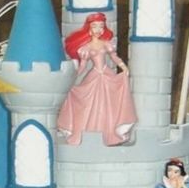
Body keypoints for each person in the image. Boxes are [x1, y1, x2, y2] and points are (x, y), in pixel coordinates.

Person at [57, 12, 137, 147]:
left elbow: (115, 58)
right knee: (88, 102)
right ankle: (87, 132)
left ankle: (110, 134)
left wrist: (124, 67)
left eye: (101, 26)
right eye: (95, 26)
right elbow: (83, 66)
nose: (98, 30)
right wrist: (73, 78)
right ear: (89, 28)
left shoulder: (106, 44)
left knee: (110, 104)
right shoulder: (86, 48)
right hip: (94, 75)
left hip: (106, 74)